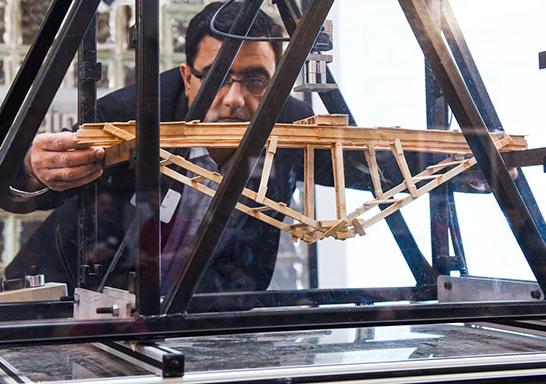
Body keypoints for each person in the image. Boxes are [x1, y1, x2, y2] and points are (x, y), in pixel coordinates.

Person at [1, 2, 430, 299]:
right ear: (188, 77)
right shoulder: (133, 113)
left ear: (279, 79)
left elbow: (373, 164)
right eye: (218, 77)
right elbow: (24, 187)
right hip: (68, 299)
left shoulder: (295, 125)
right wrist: (33, 167)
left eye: (256, 80)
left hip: (196, 317)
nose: (234, 100)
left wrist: (481, 164)